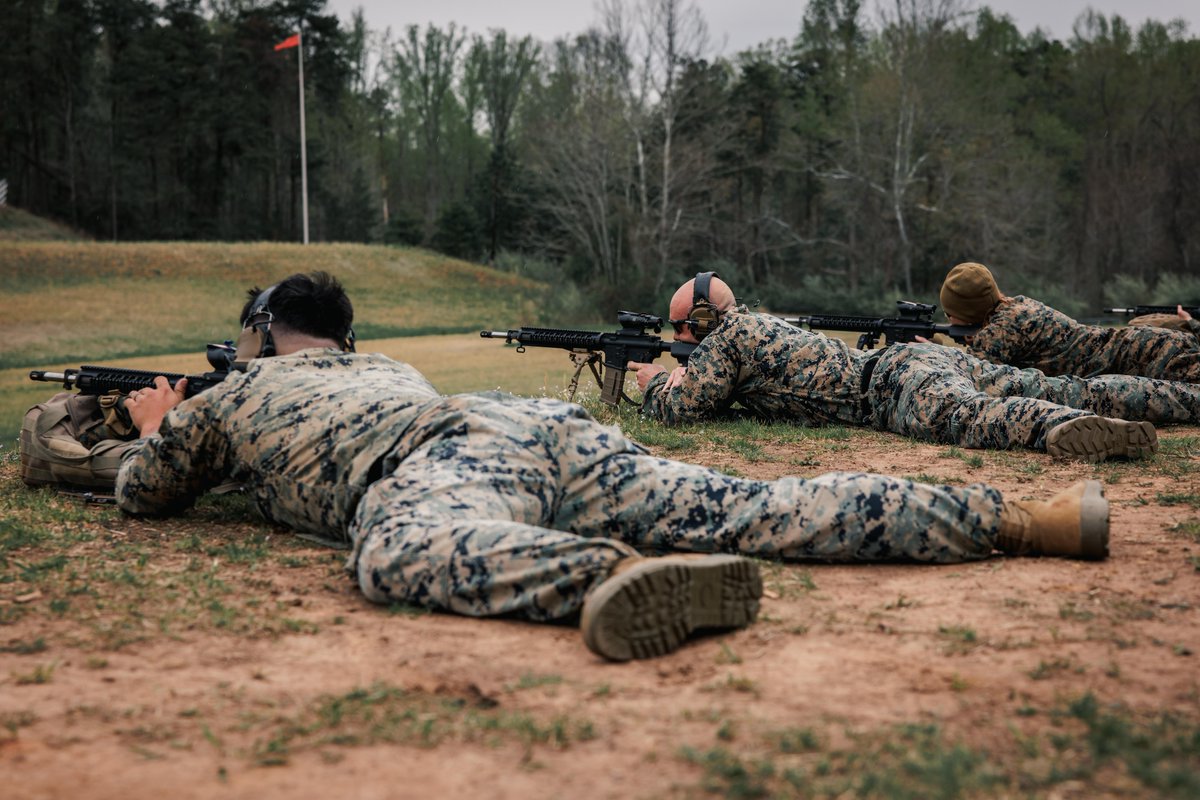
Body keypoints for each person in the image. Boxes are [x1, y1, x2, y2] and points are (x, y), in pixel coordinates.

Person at [119, 272, 1110, 664]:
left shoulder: (239, 393)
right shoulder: (384, 363)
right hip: (532, 425)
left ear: (261, 332)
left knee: (395, 548)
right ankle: (1032, 517)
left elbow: (145, 489)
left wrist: (161, 420)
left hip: (442, 456)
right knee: (749, 504)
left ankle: (611, 573)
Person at [629, 273, 1200, 460]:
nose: (678, 338)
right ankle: (1187, 400)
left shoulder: (727, 341)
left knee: (973, 418)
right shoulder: (755, 323)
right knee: (1070, 384)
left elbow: (682, 409)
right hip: (912, 361)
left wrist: (654, 385)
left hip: (891, 385)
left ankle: (1055, 426)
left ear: (704, 320)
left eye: (681, 327)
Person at [938, 262, 1200, 381]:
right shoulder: (1016, 305)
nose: (948, 318)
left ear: (969, 312)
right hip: (1140, 345)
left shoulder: (1003, 330)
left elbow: (970, 376)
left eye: (950, 313)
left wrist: (935, 345)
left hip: (1149, 354)